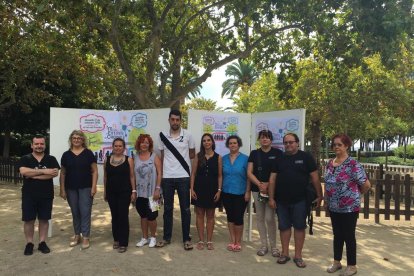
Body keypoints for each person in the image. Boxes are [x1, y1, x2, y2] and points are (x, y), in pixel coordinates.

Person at [268, 133, 323, 268]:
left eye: (291, 142)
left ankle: (298, 256)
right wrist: (271, 198)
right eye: (286, 142)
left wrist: (320, 195)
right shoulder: (279, 159)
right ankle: (285, 254)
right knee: (284, 227)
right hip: (281, 200)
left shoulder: (306, 157)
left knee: (299, 227)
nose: (288, 145)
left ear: (297, 143)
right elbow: (272, 179)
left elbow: (315, 178)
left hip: (301, 200)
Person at [324, 134, 371, 276]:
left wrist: (354, 195)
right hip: (333, 206)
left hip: (349, 208)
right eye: (334, 144)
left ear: (346, 146)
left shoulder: (353, 164)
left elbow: (366, 185)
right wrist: (327, 199)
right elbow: (327, 183)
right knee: (337, 235)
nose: (336, 147)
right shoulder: (330, 163)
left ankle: (352, 266)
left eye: (339, 144)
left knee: (349, 235)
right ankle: (337, 262)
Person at [157, 109, 195, 250]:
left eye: (177, 120)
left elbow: (191, 154)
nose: (175, 122)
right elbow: (162, 156)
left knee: (185, 209)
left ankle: (186, 239)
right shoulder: (162, 136)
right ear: (169, 120)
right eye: (172, 119)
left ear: (181, 121)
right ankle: (167, 238)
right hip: (167, 177)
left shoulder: (188, 135)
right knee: (167, 209)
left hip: (184, 177)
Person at [18, 136, 60, 255]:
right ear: (32, 145)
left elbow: (54, 173)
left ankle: (42, 242)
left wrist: (34, 175)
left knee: (44, 219)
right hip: (28, 195)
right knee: (28, 220)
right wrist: (44, 171)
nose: (39, 146)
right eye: (36, 144)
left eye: (41, 144)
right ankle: (29, 243)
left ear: (45, 145)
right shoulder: (25, 158)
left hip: (46, 195)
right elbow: (24, 172)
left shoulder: (51, 159)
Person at [60, 130, 98, 250]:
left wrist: (93, 186)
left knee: (85, 212)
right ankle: (77, 235)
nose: (76, 139)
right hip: (70, 188)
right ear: (71, 139)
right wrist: (62, 189)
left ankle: (86, 236)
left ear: (83, 140)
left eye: (79, 138)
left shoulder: (88, 153)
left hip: (86, 187)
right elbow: (63, 173)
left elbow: (95, 171)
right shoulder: (66, 155)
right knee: (75, 212)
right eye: (74, 137)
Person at [247, 130, 282, 257]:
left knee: (270, 218)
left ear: (271, 140)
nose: (265, 140)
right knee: (260, 217)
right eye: (262, 138)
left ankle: (274, 247)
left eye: (267, 137)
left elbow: (280, 172)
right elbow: (249, 172)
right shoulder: (254, 154)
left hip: (272, 191)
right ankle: (263, 245)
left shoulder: (278, 153)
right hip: (257, 190)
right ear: (259, 140)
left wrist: (268, 185)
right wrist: (260, 185)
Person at [190, 133, 222, 250]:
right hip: (199, 190)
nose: (206, 142)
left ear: (212, 142)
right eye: (204, 141)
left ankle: (209, 240)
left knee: (210, 216)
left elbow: (219, 176)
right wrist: (192, 189)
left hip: (212, 190)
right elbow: (193, 174)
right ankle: (201, 240)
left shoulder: (218, 157)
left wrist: (219, 190)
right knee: (199, 215)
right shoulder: (198, 156)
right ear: (202, 143)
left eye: (209, 140)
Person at [103, 138, 136, 253]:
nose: (118, 148)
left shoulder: (129, 160)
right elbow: (105, 177)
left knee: (123, 215)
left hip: (125, 192)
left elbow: (132, 176)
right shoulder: (107, 159)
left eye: (120, 146)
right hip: (111, 192)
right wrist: (105, 192)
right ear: (112, 147)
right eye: (116, 146)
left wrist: (134, 191)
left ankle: (123, 242)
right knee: (114, 216)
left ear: (124, 148)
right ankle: (116, 239)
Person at [222, 135, 249, 252]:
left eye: (235, 143)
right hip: (226, 192)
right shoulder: (223, 159)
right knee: (230, 217)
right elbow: (220, 176)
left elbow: (249, 177)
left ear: (239, 144)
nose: (233, 145)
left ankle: (238, 242)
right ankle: (232, 240)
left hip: (240, 193)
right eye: (230, 143)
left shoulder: (245, 159)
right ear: (228, 145)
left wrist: (248, 191)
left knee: (238, 217)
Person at [134, 134, 162, 248]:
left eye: (146, 142)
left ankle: (153, 237)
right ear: (138, 144)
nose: (144, 144)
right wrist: (134, 191)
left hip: (154, 193)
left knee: (152, 216)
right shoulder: (135, 157)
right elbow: (133, 175)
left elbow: (160, 173)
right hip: (140, 193)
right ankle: (144, 238)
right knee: (143, 216)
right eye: (142, 142)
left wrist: (158, 189)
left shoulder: (154, 156)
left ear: (149, 144)